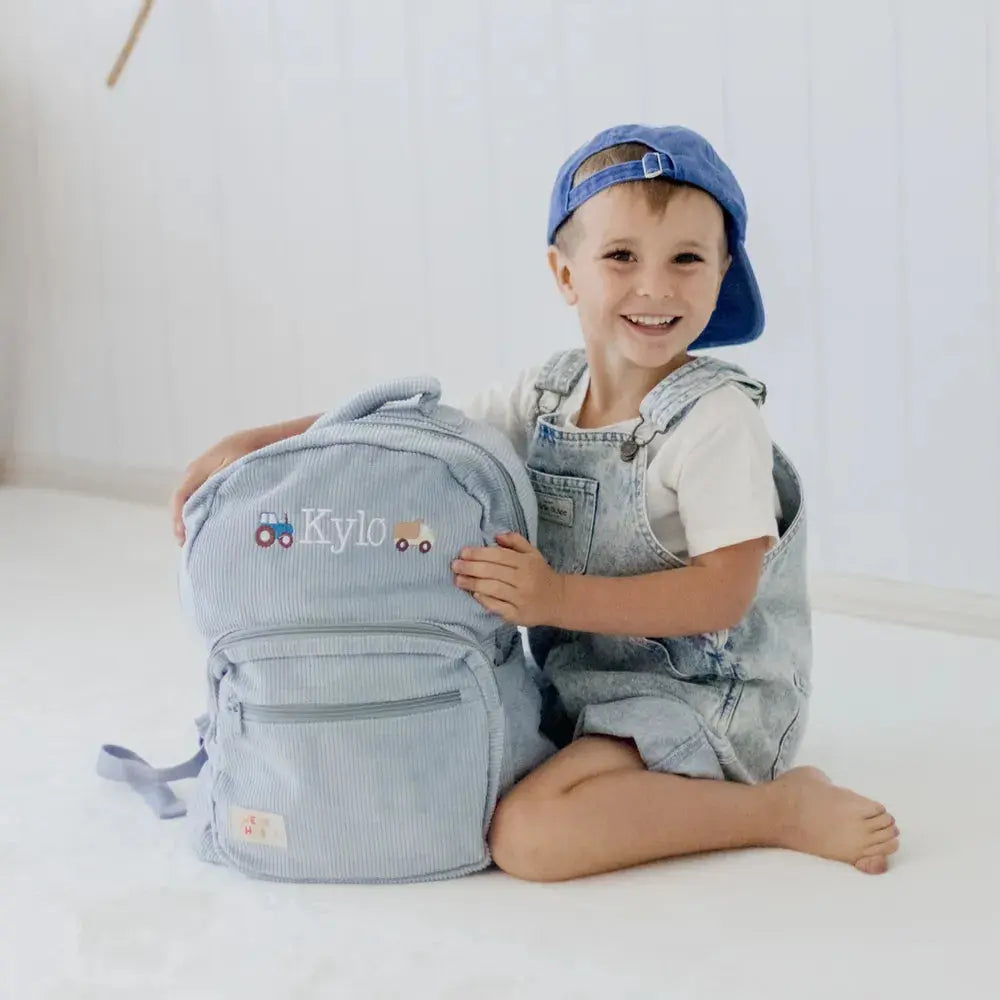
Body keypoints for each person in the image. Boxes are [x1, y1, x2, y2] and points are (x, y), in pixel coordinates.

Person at [170, 124, 899, 882]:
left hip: (703, 699)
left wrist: (555, 596)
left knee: (526, 838)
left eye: (687, 259)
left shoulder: (715, 421)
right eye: (622, 257)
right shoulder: (546, 395)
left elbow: (724, 594)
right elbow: (421, 437)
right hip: (577, 689)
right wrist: (265, 442)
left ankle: (776, 809)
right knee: (460, 774)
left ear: (722, 273)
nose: (656, 287)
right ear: (565, 273)